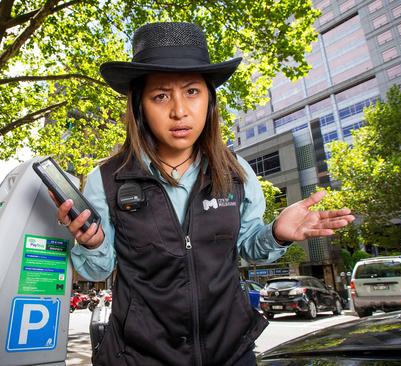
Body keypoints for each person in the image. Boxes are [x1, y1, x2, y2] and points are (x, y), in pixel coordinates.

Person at [53, 22, 355, 366]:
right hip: (135, 356)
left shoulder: (236, 171)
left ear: (209, 99)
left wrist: (276, 234)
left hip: (230, 354)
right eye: (161, 95)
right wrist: (91, 243)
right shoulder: (106, 179)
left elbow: (249, 248)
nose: (179, 110)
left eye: (192, 92)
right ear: (140, 106)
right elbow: (97, 271)